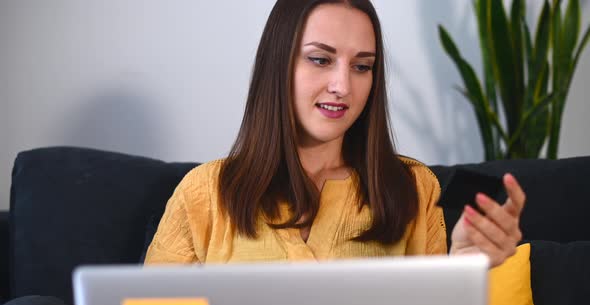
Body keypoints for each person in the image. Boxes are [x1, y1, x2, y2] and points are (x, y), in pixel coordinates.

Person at [145, 0, 524, 268]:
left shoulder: (414, 187)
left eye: (362, 66)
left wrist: (462, 272)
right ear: (278, 65)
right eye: (320, 59)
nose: (343, 85)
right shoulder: (204, 191)